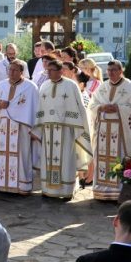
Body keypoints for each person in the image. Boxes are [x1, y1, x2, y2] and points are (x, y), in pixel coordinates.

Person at [34, 59, 92, 199]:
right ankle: (48, 189)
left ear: (60, 71)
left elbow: (79, 108)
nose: (48, 73)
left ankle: (66, 191)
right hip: (48, 129)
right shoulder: (45, 86)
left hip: (66, 129)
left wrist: (77, 125)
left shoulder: (71, 85)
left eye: (51, 70)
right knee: (48, 159)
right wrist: (37, 127)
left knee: (66, 160)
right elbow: (40, 107)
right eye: (48, 70)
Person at [88, 60, 131, 200]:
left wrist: (119, 109)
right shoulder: (102, 87)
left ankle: (119, 192)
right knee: (102, 159)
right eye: (108, 70)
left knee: (118, 159)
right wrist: (101, 108)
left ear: (121, 71)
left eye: (113, 70)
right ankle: (101, 191)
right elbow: (92, 105)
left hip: (120, 132)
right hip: (102, 132)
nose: (110, 73)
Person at [0, 60, 40, 195]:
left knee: (22, 155)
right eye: (9, 70)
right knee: (2, 154)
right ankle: (2, 184)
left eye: (15, 70)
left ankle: (22, 186)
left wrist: (34, 129)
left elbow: (35, 109)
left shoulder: (30, 87)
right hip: (4, 127)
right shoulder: (2, 84)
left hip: (22, 128)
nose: (11, 73)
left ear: (22, 72)